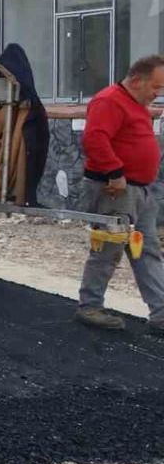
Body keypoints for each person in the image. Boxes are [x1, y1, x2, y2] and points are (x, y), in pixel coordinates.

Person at [75, 54, 164, 333]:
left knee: (146, 250)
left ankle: (161, 312)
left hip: (141, 191)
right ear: (136, 80)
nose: (157, 94)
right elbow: (94, 138)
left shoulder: (135, 103)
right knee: (107, 249)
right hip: (116, 191)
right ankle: (90, 306)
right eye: (155, 87)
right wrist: (114, 172)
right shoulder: (109, 101)